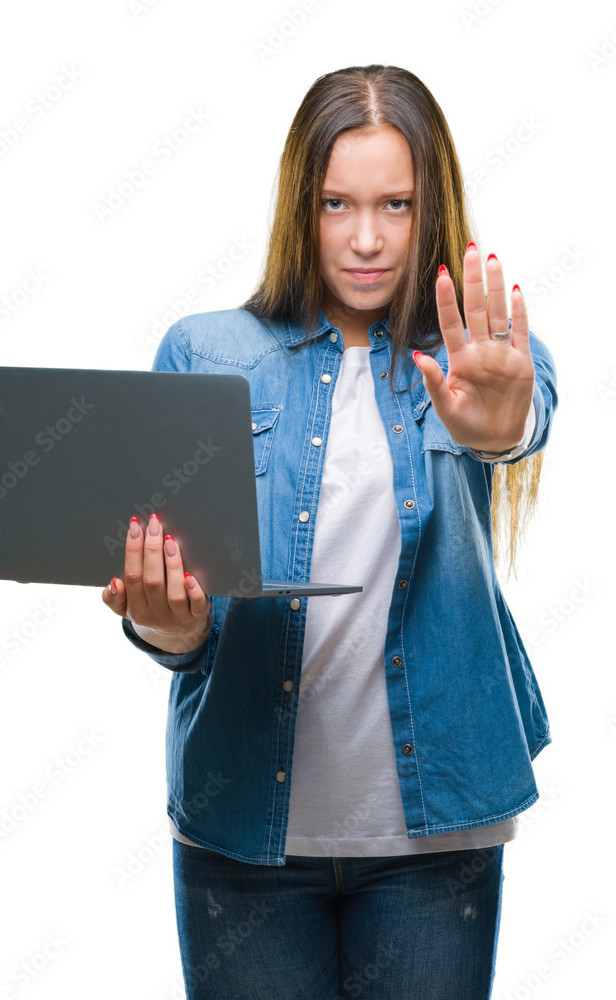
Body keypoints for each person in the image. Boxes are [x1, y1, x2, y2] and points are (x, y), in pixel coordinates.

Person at [101, 64, 558, 1000]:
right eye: (335, 203)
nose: (365, 239)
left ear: (432, 206)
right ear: (297, 207)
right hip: (243, 831)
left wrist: (498, 427)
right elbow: (178, 622)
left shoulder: (481, 357)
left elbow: (520, 421)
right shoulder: (205, 353)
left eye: (395, 204)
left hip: (437, 838)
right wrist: (168, 625)